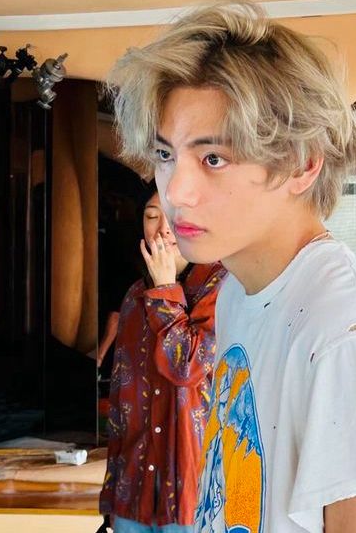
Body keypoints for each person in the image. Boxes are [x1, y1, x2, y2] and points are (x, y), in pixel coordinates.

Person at [106, 0, 356, 533]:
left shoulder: (346, 339)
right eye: (166, 155)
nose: (176, 191)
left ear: (301, 164)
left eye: (213, 159)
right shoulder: (237, 290)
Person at [99, 188, 225, 533]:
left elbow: (187, 368)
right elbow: (121, 406)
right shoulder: (134, 295)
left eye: (173, 215)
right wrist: (111, 496)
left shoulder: (221, 287)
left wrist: (166, 288)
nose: (164, 229)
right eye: (152, 216)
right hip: (132, 495)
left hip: (193, 496)